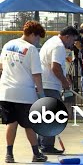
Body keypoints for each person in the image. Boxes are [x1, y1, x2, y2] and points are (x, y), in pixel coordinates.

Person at [0, 21, 47, 163]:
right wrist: (41, 94)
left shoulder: (8, 44)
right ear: (32, 34)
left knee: (11, 123)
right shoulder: (31, 49)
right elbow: (36, 75)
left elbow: (1, 66)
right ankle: (36, 153)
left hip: (6, 91)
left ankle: (9, 154)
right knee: (29, 125)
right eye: (38, 37)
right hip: (24, 93)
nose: (38, 41)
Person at [38, 26, 79, 154]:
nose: (73, 44)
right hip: (50, 85)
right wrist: (64, 82)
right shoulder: (59, 46)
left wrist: (65, 77)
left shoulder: (51, 42)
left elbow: (57, 66)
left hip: (44, 84)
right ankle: (47, 146)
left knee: (45, 115)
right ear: (67, 36)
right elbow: (55, 67)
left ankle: (42, 143)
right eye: (73, 40)